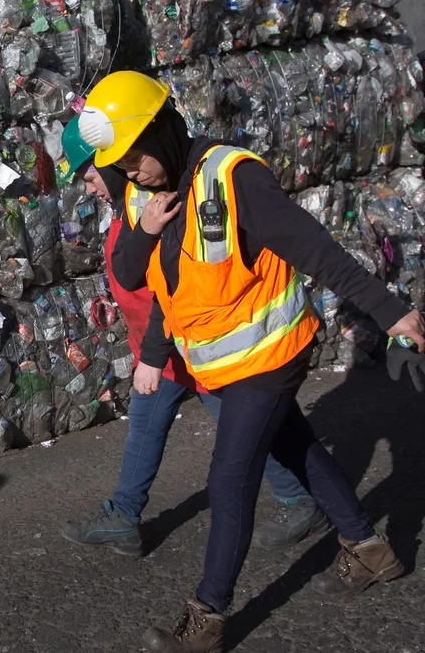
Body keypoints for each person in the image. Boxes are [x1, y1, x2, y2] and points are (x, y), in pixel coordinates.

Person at [77, 70, 425, 653]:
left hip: (269, 353)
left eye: (134, 159)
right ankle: (371, 550)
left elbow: (317, 250)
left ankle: (206, 619)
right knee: (297, 448)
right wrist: (148, 235)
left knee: (230, 477)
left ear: (160, 134)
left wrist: (390, 313)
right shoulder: (150, 194)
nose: (128, 173)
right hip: (224, 363)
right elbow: (146, 279)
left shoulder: (233, 178)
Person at [58, 116, 327, 557]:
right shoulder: (133, 207)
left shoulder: (158, 205)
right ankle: (124, 516)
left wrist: (152, 354)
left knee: (256, 430)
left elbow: (172, 287)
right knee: (146, 428)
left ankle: (301, 499)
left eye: (90, 176)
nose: (89, 188)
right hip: (166, 350)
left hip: (195, 346)